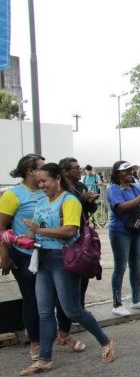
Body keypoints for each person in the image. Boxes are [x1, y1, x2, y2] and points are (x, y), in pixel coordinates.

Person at [19, 163, 117, 374]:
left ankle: (106, 341)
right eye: (39, 182)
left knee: (72, 309)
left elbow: (70, 231)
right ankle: (44, 359)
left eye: (45, 181)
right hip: (43, 259)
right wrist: (21, 238)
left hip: (63, 259)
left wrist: (39, 230)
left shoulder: (69, 200)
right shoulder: (41, 202)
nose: (42, 185)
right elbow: (34, 233)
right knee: (44, 312)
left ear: (57, 179)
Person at [0, 154, 82, 359]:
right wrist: (4, 254)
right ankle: (36, 343)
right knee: (33, 299)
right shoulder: (14, 195)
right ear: (30, 171)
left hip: (52, 251)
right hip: (25, 254)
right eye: (41, 168)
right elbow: (1, 225)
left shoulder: (50, 192)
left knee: (61, 298)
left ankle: (63, 335)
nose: (45, 173)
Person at [106, 161, 140, 316]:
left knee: (135, 266)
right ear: (117, 174)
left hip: (136, 231)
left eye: (131, 170)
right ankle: (117, 304)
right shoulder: (114, 189)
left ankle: (136, 299)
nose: (130, 173)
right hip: (120, 232)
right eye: (126, 171)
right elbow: (122, 207)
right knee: (120, 267)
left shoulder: (135, 188)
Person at [59, 157, 99, 309]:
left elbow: (91, 209)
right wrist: (81, 198)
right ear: (66, 172)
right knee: (70, 272)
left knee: (84, 269)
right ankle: (71, 309)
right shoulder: (61, 188)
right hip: (68, 236)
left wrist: (90, 201)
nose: (79, 170)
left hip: (83, 234)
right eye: (76, 168)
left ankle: (80, 306)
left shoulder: (80, 185)